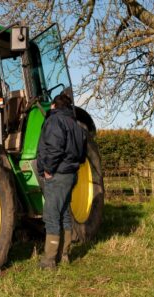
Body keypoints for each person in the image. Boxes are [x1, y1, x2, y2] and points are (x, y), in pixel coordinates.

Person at [37, 93, 87, 269]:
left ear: (53, 106)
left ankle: (49, 260)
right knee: (64, 213)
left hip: (57, 174)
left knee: (51, 215)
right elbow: (82, 155)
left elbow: (54, 148)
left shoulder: (55, 121)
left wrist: (48, 170)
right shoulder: (76, 125)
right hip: (71, 174)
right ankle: (64, 255)